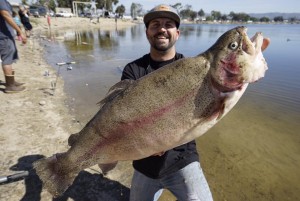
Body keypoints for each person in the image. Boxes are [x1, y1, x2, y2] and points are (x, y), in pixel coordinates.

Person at [121, 4, 213, 201]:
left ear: (177, 33)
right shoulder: (133, 70)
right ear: (147, 32)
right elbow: (125, 118)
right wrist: (152, 141)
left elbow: (209, 105)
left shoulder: (192, 69)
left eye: (168, 24)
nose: (162, 29)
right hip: (144, 164)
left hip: (183, 160)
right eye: (155, 24)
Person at [0, 0, 27, 93]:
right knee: (7, 60)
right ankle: (10, 86)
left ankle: (11, 81)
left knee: (10, 59)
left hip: (7, 36)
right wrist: (20, 31)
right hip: (4, 36)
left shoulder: (5, 2)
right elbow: (5, 14)